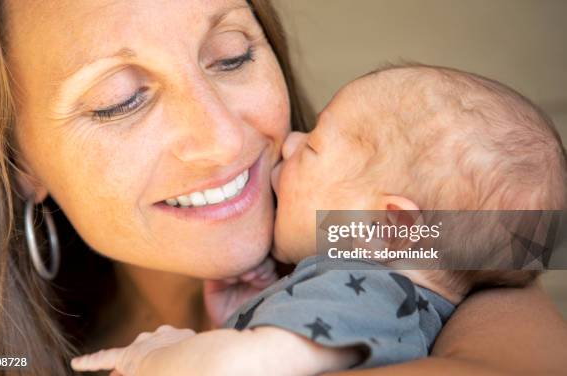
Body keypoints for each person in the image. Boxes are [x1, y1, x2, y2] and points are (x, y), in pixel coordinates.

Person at [0, 0, 566, 375]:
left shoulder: (433, 243)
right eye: (121, 99)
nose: (223, 140)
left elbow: (524, 237)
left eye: (231, 55)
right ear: (15, 161)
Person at [69, 65, 566, 375]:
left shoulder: (360, 289)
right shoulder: (402, 309)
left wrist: (158, 356)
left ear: (389, 227)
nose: (289, 142)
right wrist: (256, 316)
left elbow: (240, 368)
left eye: (314, 146)